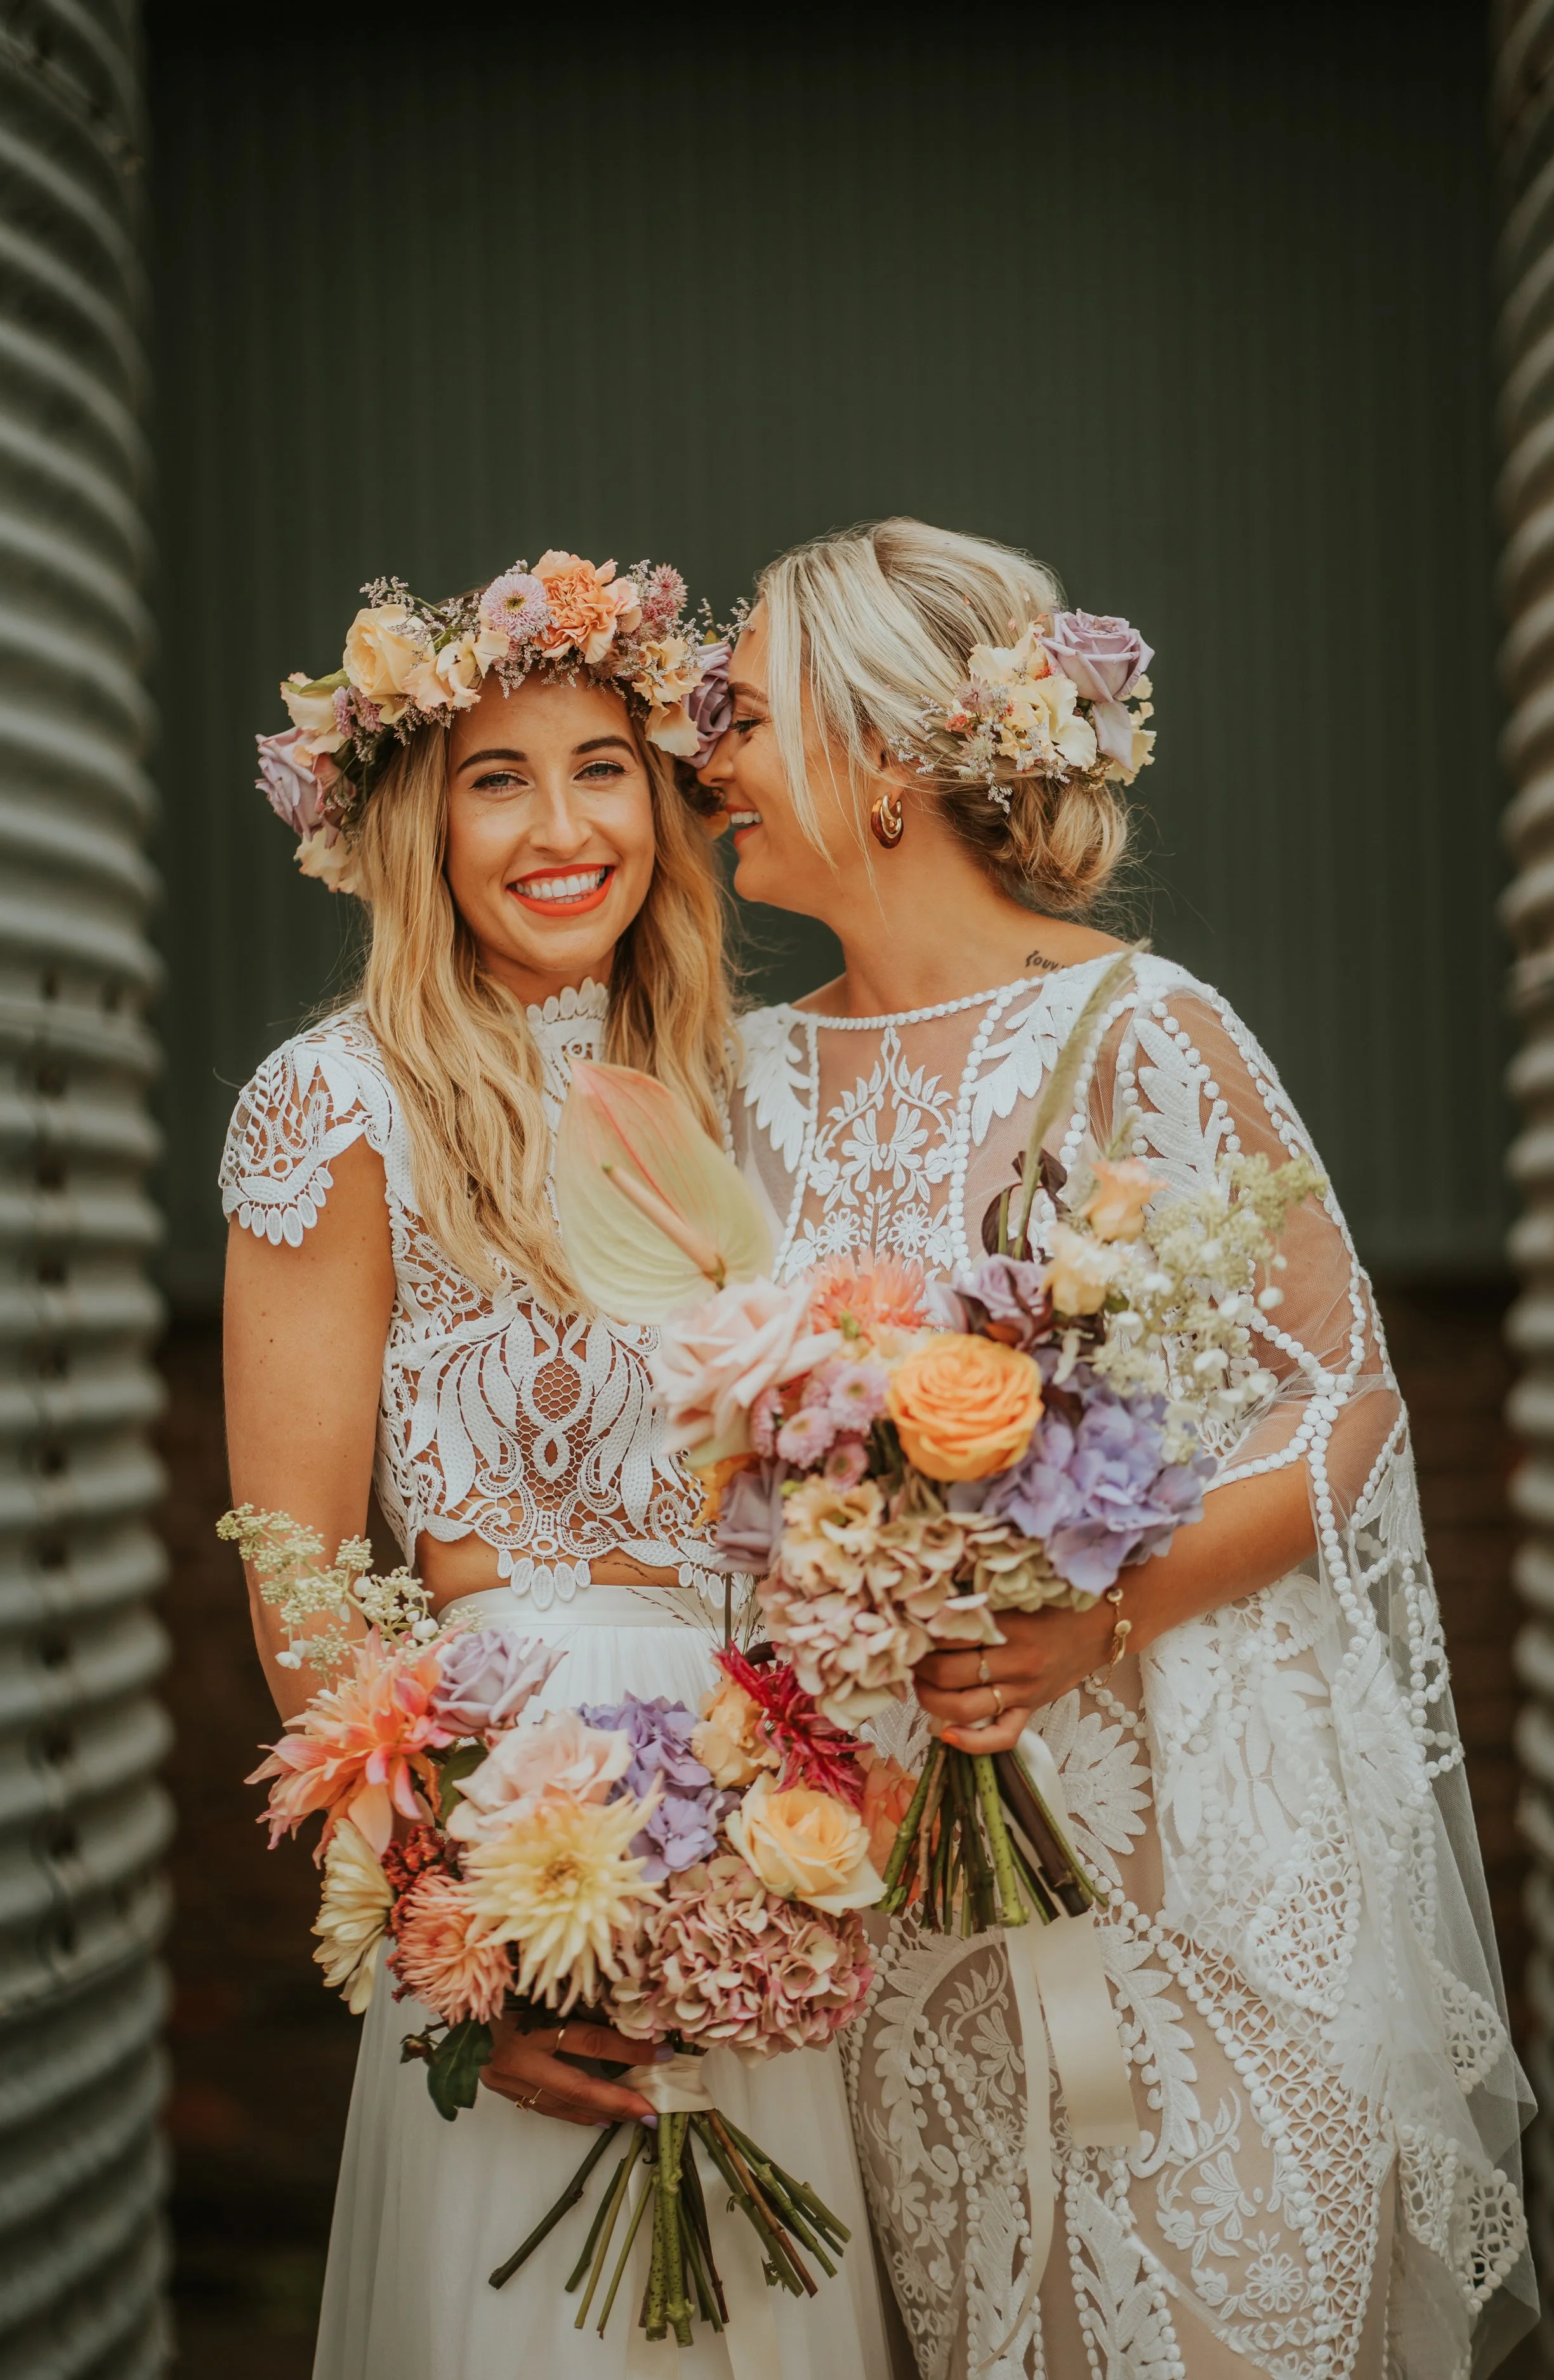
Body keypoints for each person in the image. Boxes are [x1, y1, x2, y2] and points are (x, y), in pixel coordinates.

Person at [697, 517, 1536, 2380]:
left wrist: (1096, 1620)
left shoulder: (1139, 1024)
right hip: (899, 1864)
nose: (709, 763)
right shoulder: (734, 1076)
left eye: (742, 717)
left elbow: (1342, 1389)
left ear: (885, 755)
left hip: (1172, 1830)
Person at [220, 553, 892, 2379]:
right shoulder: (333, 1102)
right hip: (517, 1827)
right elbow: (295, 1562)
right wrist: (455, 1943)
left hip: (760, 1814)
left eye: (601, 764)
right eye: (496, 779)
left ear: (666, 802)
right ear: (417, 827)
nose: (559, 824)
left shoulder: (735, 1085)